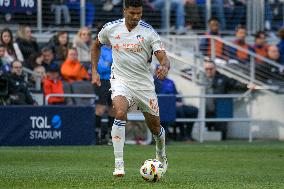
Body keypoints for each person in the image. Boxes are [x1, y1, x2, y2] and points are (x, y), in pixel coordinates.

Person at [91, 0, 169, 177]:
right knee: (119, 112)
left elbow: (163, 58)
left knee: (155, 128)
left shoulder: (149, 32)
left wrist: (164, 67)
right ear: (124, 10)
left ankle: (161, 155)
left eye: (139, 13)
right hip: (120, 80)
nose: (136, 17)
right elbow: (96, 45)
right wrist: (94, 70)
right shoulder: (111, 29)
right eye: (132, 13)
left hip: (143, 85)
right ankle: (119, 164)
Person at [202, 59, 246, 140]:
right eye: (206, 69)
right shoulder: (199, 78)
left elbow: (235, 83)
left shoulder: (222, 78)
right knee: (204, 138)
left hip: (219, 111)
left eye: (211, 69)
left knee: (222, 137)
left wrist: (248, 86)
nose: (209, 71)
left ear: (215, 68)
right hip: (204, 112)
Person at [154, 75, 198, 142]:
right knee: (179, 111)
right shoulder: (153, 81)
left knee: (193, 110)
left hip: (175, 104)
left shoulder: (170, 82)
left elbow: (176, 94)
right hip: (163, 106)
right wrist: (171, 102)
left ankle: (189, 134)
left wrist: (179, 101)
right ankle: (183, 135)